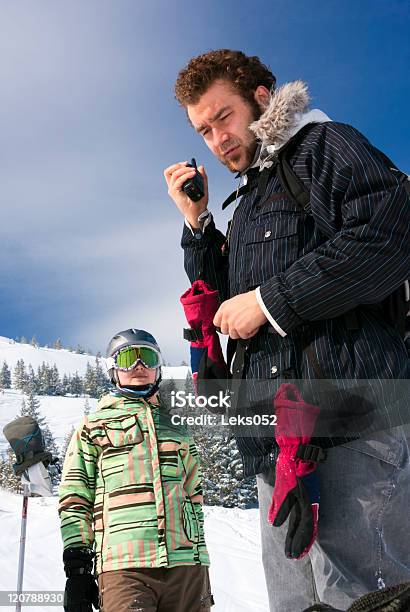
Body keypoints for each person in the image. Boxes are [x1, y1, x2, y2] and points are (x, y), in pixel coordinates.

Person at [164, 49, 410, 611]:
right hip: (278, 445)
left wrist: (271, 301)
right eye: (203, 129)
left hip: (355, 421)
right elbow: (226, 305)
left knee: (369, 597)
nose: (217, 138)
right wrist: (197, 223)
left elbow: (390, 233)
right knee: (294, 604)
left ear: (260, 97)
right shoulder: (249, 200)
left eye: (223, 117)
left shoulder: (323, 147)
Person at [59, 328, 213, 612]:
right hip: (124, 567)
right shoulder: (93, 427)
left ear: (158, 368)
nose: (139, 366)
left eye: (148, 357)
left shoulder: (177, 427)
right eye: (128, 357)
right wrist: (78, 569)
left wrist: (198, 554)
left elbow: (195, 495)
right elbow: (74, 499)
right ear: (113, 369)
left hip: (186, 568)